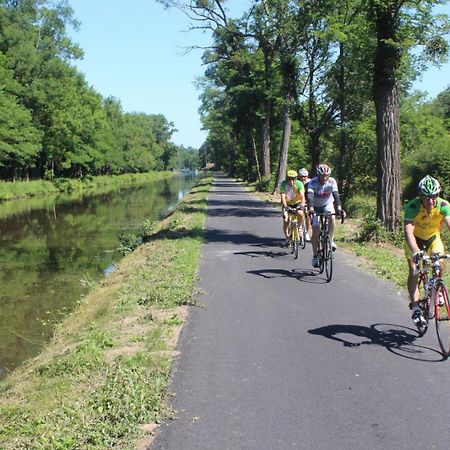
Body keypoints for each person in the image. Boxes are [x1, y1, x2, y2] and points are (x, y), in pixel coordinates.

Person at [404, 175, 450, 327]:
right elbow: (408, 232)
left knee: (441, 262)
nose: (431, 201)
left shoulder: (443, 205)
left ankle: (435, 285)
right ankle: (416, 308)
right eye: (426, 197)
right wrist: (416, 251)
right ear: (420, 196)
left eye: (434, 196)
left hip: (432, 238)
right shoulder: (412, 206)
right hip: (415, 240)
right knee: (414, 271)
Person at [307, 164, 345, 268]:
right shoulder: (312, 182)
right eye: (322, 176)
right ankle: (315, 256)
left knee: (332, 217)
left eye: (326, 176)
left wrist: (340, 208)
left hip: (327, 204)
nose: (324, 178)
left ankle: (331, 240)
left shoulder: (332, 181)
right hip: (314, 206)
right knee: (315, 229)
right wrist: (310, 209)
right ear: (318, 175)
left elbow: (336, 195)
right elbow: (310, 197)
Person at [280, 169, 305, 247]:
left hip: (297, 203)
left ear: (296, 178)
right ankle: (287, 237)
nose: (291, 180)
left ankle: (299, 226)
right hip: (287, 204)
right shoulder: (283, 184)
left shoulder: (299, 184)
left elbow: (302, 196)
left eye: (293, 179)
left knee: (300, 213)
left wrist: (302, 205)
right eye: (289, 179)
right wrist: (285, 206)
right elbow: (282, 196)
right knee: (286, 219)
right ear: (287, 178)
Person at [298, 168, 312, 242]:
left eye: (305, 176)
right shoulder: (296, 182)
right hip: (299, 200)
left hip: (308, 200)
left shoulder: (310, 182)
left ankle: (306, 232)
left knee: (308, 216)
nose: (303, 178)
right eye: (301, 176)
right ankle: (298, 228)